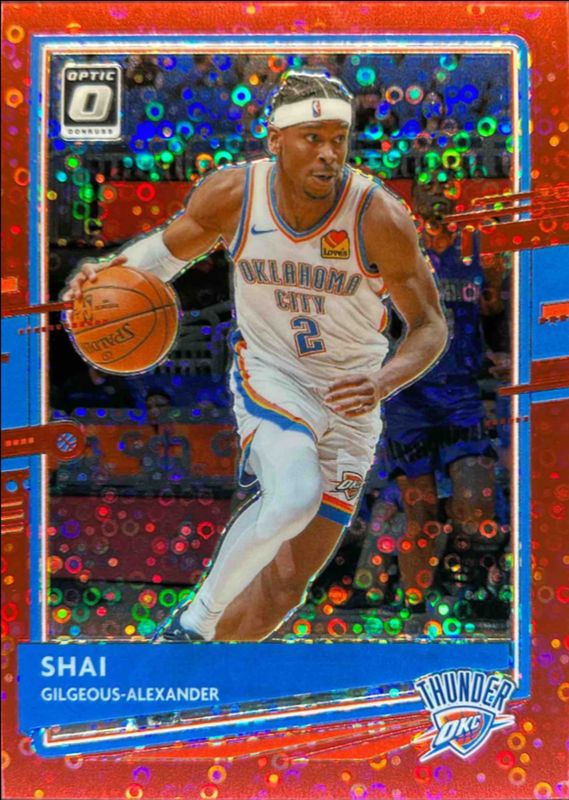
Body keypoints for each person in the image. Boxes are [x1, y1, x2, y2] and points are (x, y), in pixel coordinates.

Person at [65, 70, 447, 643]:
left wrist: (383, 381)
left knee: (285, 586)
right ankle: (192, 625)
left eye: (338, 139)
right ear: (276, 139)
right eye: (312, 138)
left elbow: (430, 327)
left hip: (351, 398)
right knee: (293, 498)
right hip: (274, 374)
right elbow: (163, 258)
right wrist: (105, 277)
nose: (328, 154)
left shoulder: (378, 216)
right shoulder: (235, 195)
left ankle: (203, 676)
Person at [378, 178, 510, 623]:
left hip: (461, 396)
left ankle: (465, 582)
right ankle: (413, 604)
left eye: (444, 188)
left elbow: (495, 310)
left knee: (477, 505)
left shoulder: (479, 253)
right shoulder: (395, 252)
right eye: (428, 189)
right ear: (414, 203)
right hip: (408, 398)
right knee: (421, 511)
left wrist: (503, 352)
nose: (438, 196)